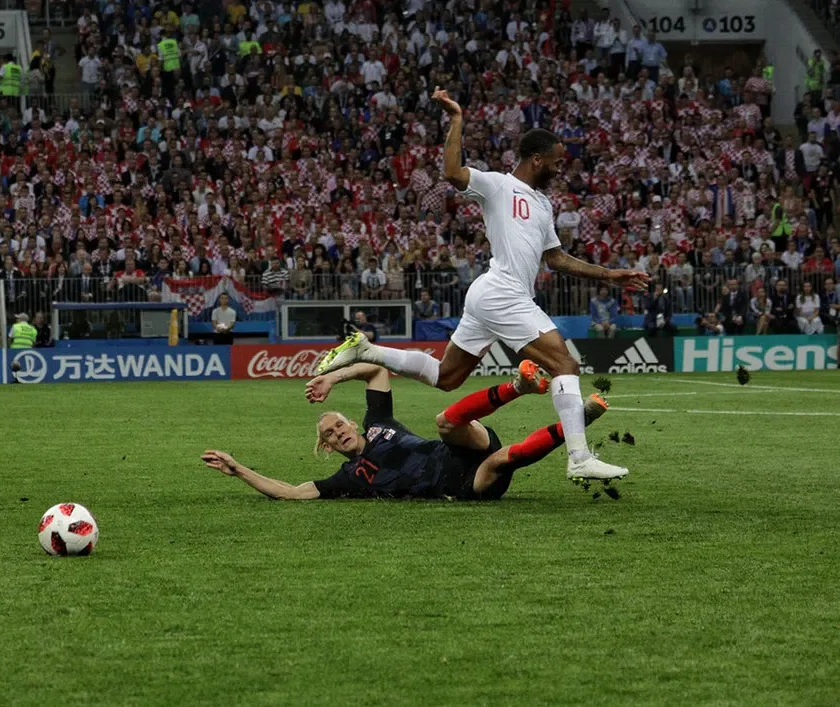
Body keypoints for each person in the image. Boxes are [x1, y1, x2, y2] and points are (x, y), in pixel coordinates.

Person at [317, 90, 649, 483]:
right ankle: (578, 456)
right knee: (565, 365)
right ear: (537, 159)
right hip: (503, 292)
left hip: (490, 294)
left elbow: (557, 258)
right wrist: (457, 120)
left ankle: (367, 350)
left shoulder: (543, 205)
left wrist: (610, 275)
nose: (560, 169)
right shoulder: (498, 185)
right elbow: (453, 173)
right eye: (557, 162)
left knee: (447, 378)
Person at [200, 361, 609, 500]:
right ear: (327, 447)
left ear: (352, 422)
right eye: (329, 435)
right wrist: (238, 469)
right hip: (460, 484)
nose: (337, 432)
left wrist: (333, 378)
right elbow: (290, 492)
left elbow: (377, 370)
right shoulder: (348, 477)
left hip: (455, 449)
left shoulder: (379, 423)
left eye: (338, 423)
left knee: (446, 422)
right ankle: (575, 422)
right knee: (504, 459)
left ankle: (517, 386)